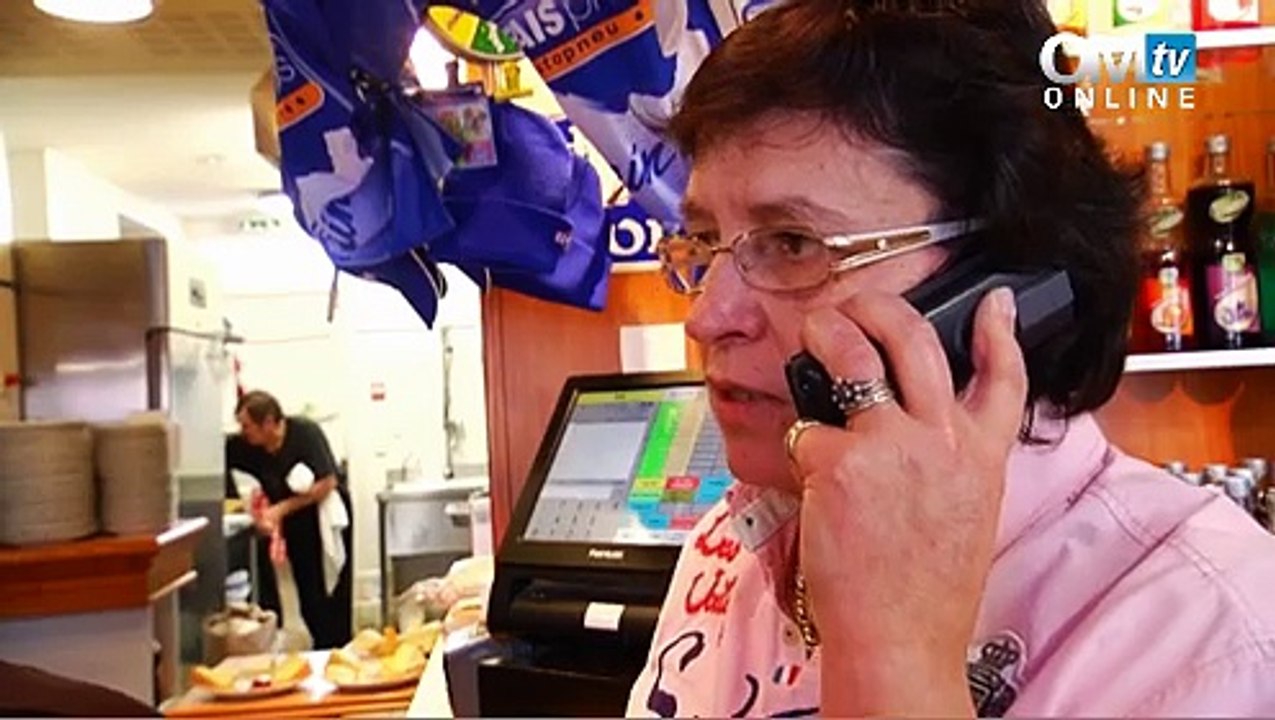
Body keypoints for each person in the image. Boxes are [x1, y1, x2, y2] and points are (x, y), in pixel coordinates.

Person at [626, 0, 1275, 716]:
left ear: (999, 285)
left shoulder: (1212, 638)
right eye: (703, 240)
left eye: (792, 244)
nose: (706, 316)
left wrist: (896, 659)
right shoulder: (733, 540)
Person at [225, 390, 353, 649]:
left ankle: (337, 648)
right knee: (308, 595)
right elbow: (216, 459)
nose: (243, 432)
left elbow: (327, 482)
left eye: (247, 425)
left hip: (322, 516)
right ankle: (320, 645)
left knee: (332, 595)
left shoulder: (305, 433)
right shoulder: (248, 447)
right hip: (295, 525)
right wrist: (236, 505)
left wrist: (279, 510)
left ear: (270, 422)